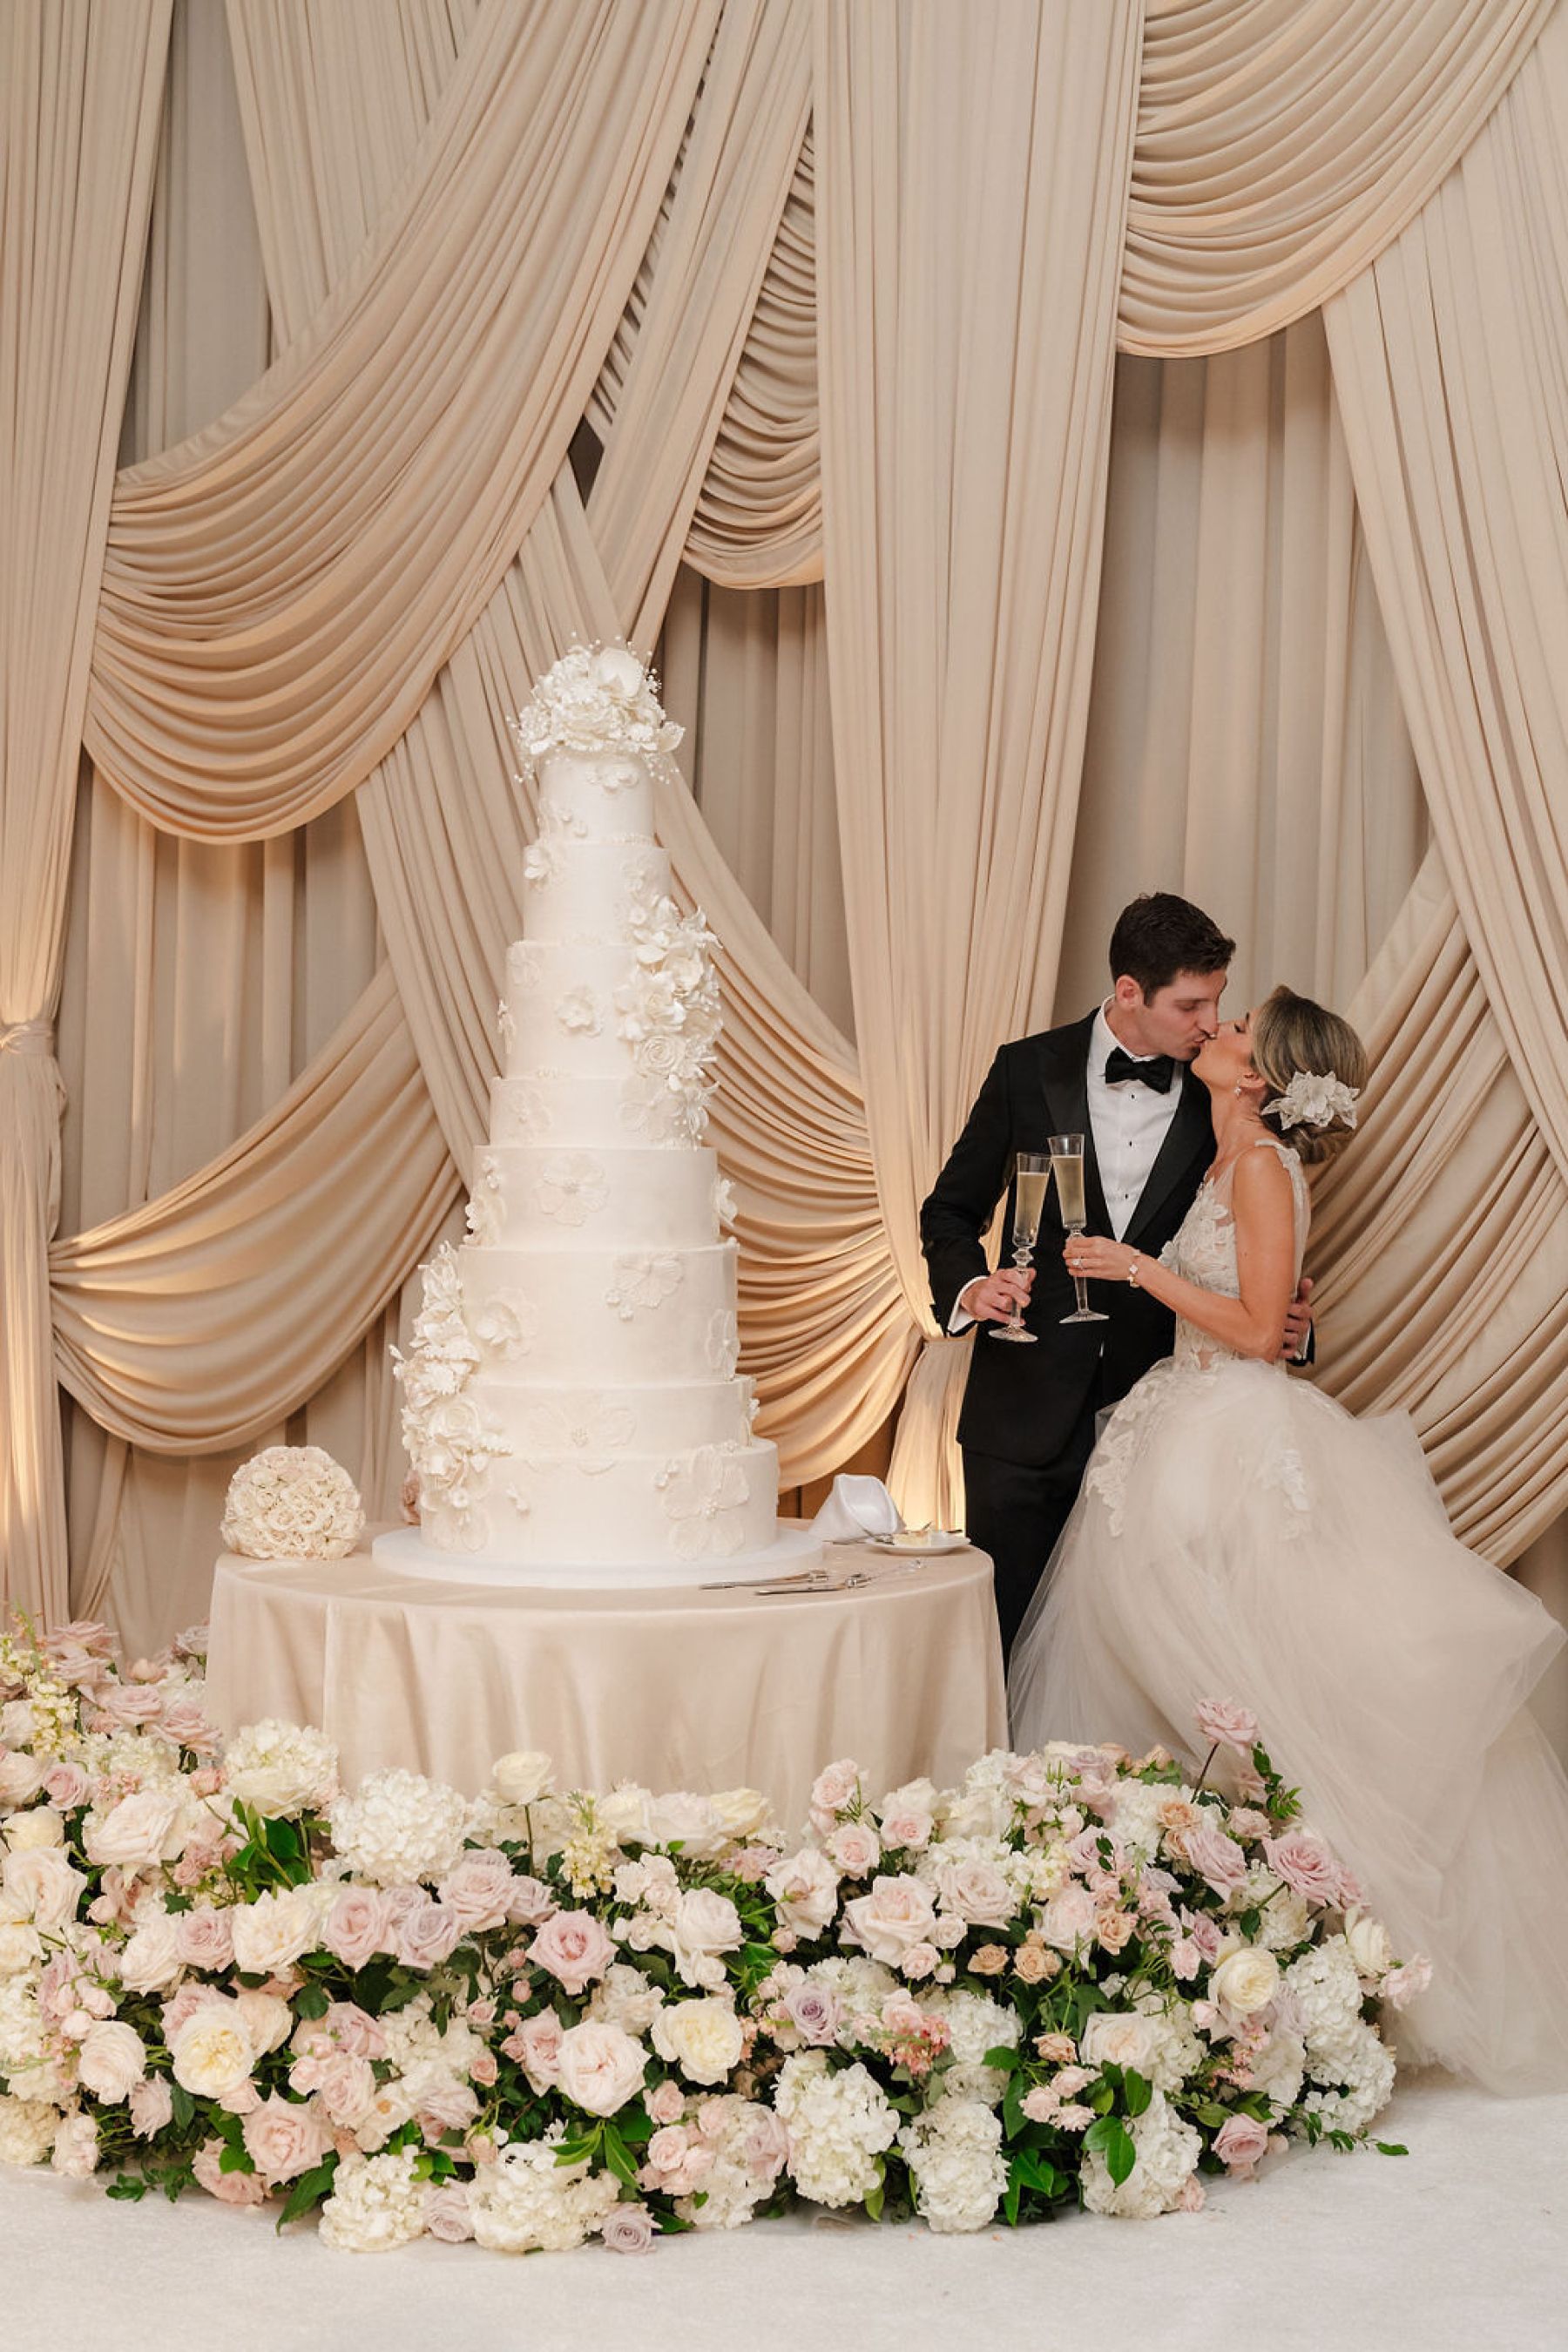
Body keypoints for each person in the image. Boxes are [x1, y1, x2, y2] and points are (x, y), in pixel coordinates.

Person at [1007, 986, 1568, 2092]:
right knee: (1170, 1678)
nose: (1215, 1030)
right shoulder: (1226, 1153)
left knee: (1254, 1691)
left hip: (1231, 1434)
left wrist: (1142, 1272)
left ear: (1259, 1074)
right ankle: (1177, 1951)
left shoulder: (1261, 1164)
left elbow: (1264, 1335)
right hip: (1182, 1419)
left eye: (1235, 1027)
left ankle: (1319, 1957)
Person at [920, 894, 1309, 1661]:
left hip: (1162, 1428)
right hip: (1019, 1411)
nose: (1208, 1022)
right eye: (1191, 1003)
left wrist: (1292, 1321)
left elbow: (1262, 1230)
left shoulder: (1220, 1090)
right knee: (1004, 1645)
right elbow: (950, 1210)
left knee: (1131, 1659)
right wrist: (972, 1290)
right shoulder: (1025, 1068)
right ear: (1130, 992)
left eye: (1219, 1004)